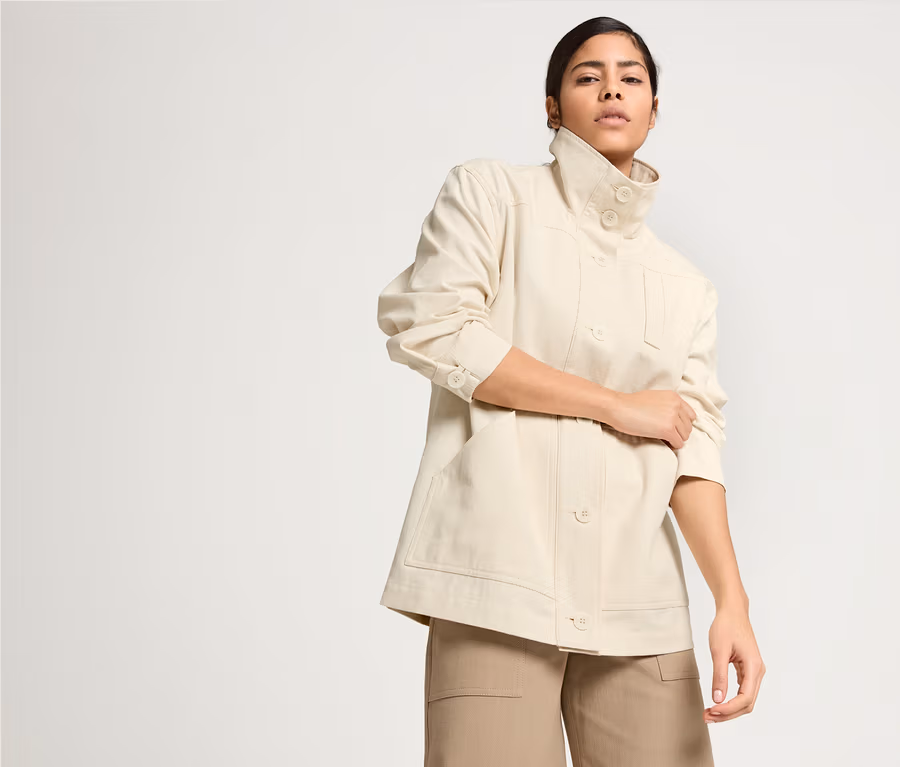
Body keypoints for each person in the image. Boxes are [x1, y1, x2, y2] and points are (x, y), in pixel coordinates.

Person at [375, 16, 765, 767]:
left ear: (654, 108)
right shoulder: (492, 195)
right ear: (553, 107)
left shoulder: (685, 285)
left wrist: (732, 602)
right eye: (589, 76)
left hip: (640, 598)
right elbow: (435, 327)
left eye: (631, 77)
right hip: (499, 575)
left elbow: (695, 449)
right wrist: (615, 404)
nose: (612, 88)